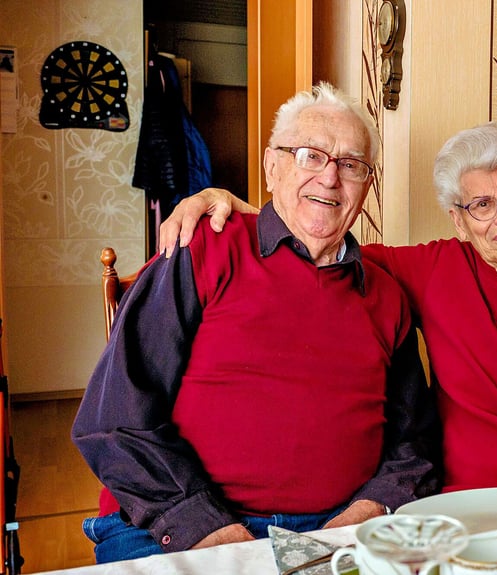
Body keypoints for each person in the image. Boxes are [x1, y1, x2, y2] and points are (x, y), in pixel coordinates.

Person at [160, 121, 497, 494]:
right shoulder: (436, 268)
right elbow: (319, 240)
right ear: (458, 219)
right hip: (462, 497)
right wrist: (230, 202)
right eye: (482, 205)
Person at [73, 82, 440, 563]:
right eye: (309, 155)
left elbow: (414, 445)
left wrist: (352, 525)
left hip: (334, 529)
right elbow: (113, 423)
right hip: (176, 522)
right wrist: (221, 538)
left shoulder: (385, 296)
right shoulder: (204, 247)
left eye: (350, 165)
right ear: (272, 167)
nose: (330, 178)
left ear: (366, 185)